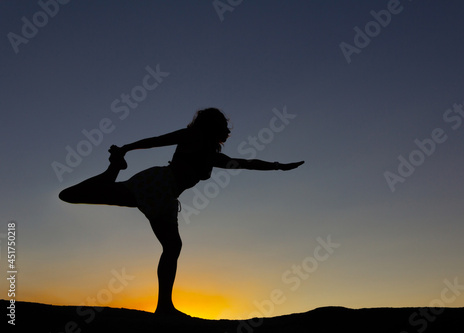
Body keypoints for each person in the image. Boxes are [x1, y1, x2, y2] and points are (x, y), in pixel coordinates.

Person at [59, 108, 304, 317]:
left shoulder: (212, 156)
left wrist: (277, 166)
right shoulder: (192, 136)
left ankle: (112, 169)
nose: (226, 128)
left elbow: (245, 163)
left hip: (159, 188)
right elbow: (157, 140)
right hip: (160, 187)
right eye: (222, 124)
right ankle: (164, 307)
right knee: (172, 246)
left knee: (74, 196)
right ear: (214, 126)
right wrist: (127, 148)